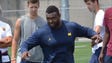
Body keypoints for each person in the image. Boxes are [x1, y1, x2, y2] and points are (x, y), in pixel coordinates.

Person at [20, 5, 102, 63]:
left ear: (59, 15)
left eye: (53, 18)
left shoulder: (71, 27)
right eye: (48, 19)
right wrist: (24, 51)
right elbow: (25, 44)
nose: (51, 21)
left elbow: (87, 31)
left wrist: (95, 35)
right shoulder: (42, 32)